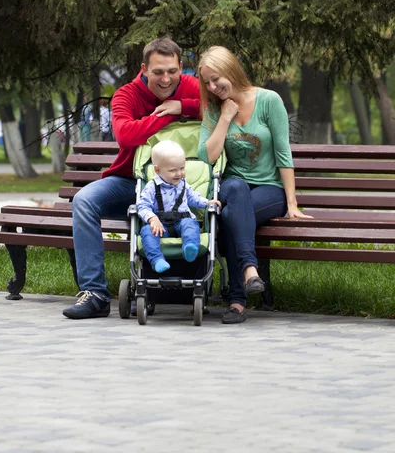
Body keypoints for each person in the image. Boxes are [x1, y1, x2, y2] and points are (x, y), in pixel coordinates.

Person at [63, 37, 202, 319]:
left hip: (182, 188)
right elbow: (126, 135)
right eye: (158, 72)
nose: (166, 79)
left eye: (172, 71)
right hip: (130, 182)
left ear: (181, 67)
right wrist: (167, 114)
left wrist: (181, 106)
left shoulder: (191, 86)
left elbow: (223, 106)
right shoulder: (126, 94)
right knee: (84, 201)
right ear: (144, 68)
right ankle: (96, 295)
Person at [196, 45, 312, 325]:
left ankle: (237, 300)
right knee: (235, 190)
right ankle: (250, 270)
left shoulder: (269, 100)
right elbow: (207, 156)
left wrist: (292, 204)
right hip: (234, 187)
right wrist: (225, 117)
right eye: (207, 82)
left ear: (230, 70)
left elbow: (283, 154)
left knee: (227, 216)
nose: (213, 86)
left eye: (216, 78)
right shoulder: (214, 110)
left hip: (269, 190)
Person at [136, 140, 221, 273]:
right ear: (157, 170)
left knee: (190, 224)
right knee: (147, 232)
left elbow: (193, 197)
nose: (179, 173)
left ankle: (190, 247)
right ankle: (157, 260)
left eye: (182, 168)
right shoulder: (151, 187)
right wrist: (152, 219)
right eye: (173, 170)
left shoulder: (183, 184)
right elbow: (142, 206)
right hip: (160, 226)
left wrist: (207, 203)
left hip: (182, 221)